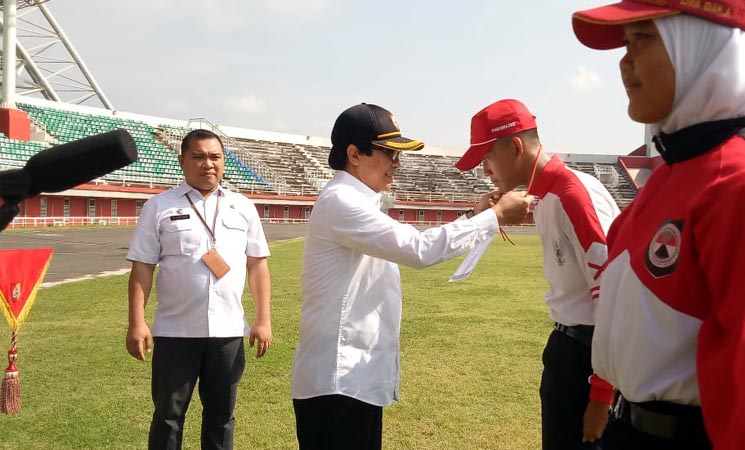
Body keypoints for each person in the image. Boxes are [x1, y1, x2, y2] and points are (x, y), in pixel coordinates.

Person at [571, 1, 745, 449]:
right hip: (626, 427)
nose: (624, 62)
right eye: (626, 42)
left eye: (643, 38)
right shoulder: (670, 172)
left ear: (702, 45)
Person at [291, 102, 533, 450]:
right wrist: (493, 216)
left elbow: (411, 244)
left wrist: (473, 215)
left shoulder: (353, 200)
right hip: (338, 381)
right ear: (355, 154)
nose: (397, 163)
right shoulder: (342, 201)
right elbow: (419, 249)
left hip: (350, 379)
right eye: (389, 153)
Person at [455, 99, 620, 450]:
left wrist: (602, 393)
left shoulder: (573, 195)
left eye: (486, 158)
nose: (484, 170)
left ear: (515, 146)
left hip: (587, 358)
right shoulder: (546, 196)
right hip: (568, 350)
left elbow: (612, 294)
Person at [125, 129, 272, 450]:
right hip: (175, 333)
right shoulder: (159, 207)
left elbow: (258, 265)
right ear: (182, 161)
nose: (208, 164)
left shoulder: (242, 206)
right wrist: (137, 322)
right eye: (199, 156)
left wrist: (263, 319)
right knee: (168, 415)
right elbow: (142, 267)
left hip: (228, 333)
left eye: (215, 157)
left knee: (221, 416)